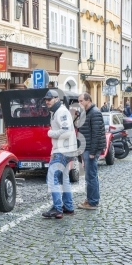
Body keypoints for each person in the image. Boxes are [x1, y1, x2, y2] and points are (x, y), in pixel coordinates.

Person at [41, 90, 77, 219]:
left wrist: (51, 133)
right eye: (46, 99)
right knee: (64, 178)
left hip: (63, 150)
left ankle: (57, 208)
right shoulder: (58, 111)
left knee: (52, 178)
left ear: (57, 99)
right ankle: (68, 207)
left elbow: (66, 132)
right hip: (66, 150)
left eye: (49, 99)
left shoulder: (60, 112)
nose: (47, 102)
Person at [77, 92, 106, 210]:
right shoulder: (87, 112)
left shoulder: (94, 113)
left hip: (90, 149)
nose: (79, 103)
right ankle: (91, 199)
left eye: (81, 101)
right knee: (89, 176)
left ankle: (93, 202)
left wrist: (93, 152)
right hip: (87, 147)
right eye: (78, 101)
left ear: (88, 100)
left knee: (91, 176)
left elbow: (96, 134)